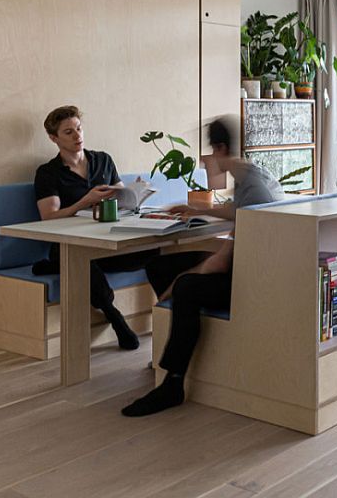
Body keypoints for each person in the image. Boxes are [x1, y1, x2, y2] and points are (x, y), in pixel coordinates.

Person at [121, 116, 284, 417]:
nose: (206, 159)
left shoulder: (253, 190)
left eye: (208, 152)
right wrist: (197, 207)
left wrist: (180, 280)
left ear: (219, 149)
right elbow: (237, 212)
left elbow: (221, 262)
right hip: (248, 268)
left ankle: (173, 383)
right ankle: (168, 342)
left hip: (251, 280)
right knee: (159, 266)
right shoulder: (253, 176)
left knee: (184, 285)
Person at [33, 105, 154, 350]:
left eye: (78, 129)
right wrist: (84, 202)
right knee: (82, 261)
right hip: (70, 243)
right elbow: (49, 217)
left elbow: (123, 199)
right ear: (53, 138)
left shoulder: (103, 160)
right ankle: (115, 317)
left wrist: (135, 192)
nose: (77, 136)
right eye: (68, 132)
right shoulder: (48, 173)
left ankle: (165, 317)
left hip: (107, 240)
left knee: (155, 253)